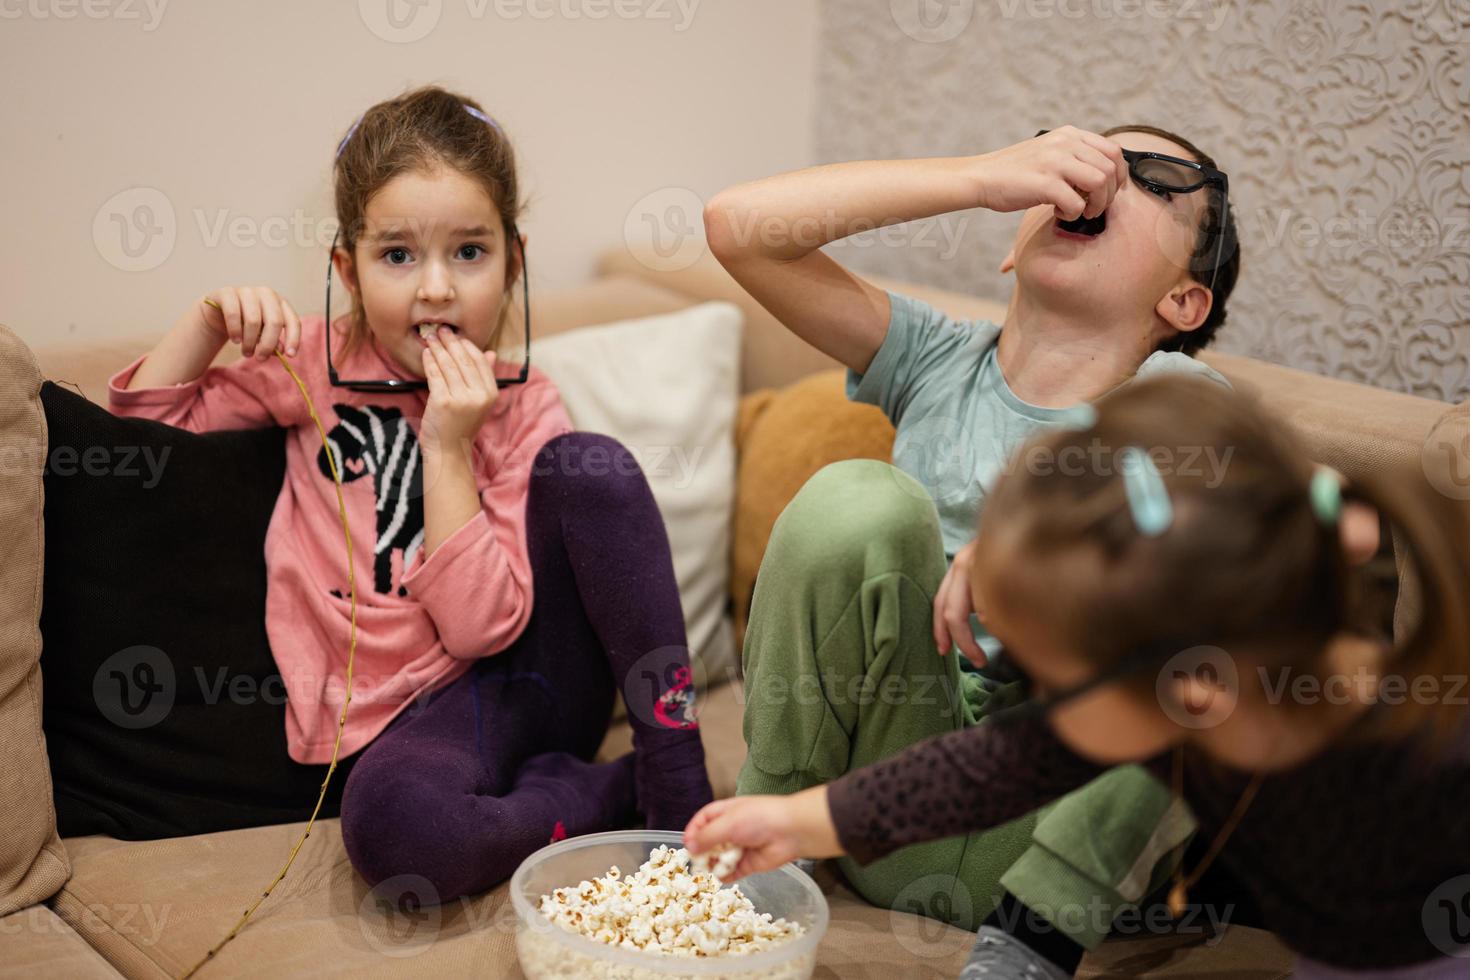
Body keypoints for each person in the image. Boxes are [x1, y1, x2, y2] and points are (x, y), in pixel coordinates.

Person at [107, 84, 712, 904]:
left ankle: (675, 786)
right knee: (401, 832)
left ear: (515, 260)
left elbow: (483, 626)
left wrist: (450, 444)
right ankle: (607, 793)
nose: (436, 289)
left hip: (524, 682)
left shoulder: (522, 400)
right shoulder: (313, 367)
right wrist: (209, 323)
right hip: (406, 729)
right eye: (398, 255)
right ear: (346, 271)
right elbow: (146, 432)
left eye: (469, 252)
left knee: (590, 467)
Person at [687, 375, 1470, 979]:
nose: (1028, 704)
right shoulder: (1195, 705)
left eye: (1048, 680)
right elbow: (983, 772)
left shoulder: (1425, 776)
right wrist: (798, 823)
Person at [703, 124, 1243, 971]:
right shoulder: (934, 360)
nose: (1102, 174)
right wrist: (978, 178)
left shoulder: (1182, 396)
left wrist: (1038, 547)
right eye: (1085, 152)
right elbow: (740, 227)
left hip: (1059, 825)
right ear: (1012, 246)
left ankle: (1029, 949)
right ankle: (764, 854)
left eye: (1154, 176)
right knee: (855, 495)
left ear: (1183, 302)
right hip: (887, 801)